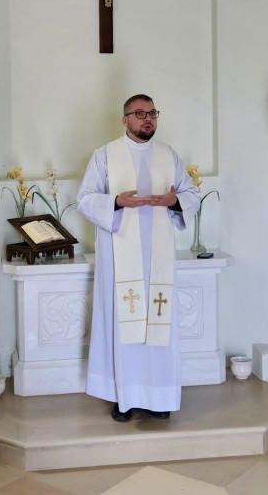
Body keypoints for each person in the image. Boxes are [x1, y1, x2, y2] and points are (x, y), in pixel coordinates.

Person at [76, 94, 199, 422]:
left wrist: (175, 201)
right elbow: (85, 199)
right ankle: (125, 398)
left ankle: (160, 398)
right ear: (125, 119)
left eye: (152, 113)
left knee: (159, 326)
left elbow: (191, 194)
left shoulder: (168, 155)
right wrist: (116, 202)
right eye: (141, 113)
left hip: (158, 259)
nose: (148, 119)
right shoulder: (105, 155)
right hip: (121, 259)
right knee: (125, 326)